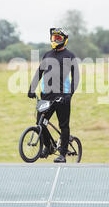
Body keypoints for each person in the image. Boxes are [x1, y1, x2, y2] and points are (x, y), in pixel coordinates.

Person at [28, 28, 79, 163]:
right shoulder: (47, 55)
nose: (55, 40)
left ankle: (62, 154)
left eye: (58, 38)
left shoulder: (70, 56)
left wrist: (70, 95)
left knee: (64, 126)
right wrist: (31, 88)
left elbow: (76, 77)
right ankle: (48, 147)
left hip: (63, 97)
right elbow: (39, 72)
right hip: (46, 96)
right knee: (40, 123)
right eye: (54, 38)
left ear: (64, 40)